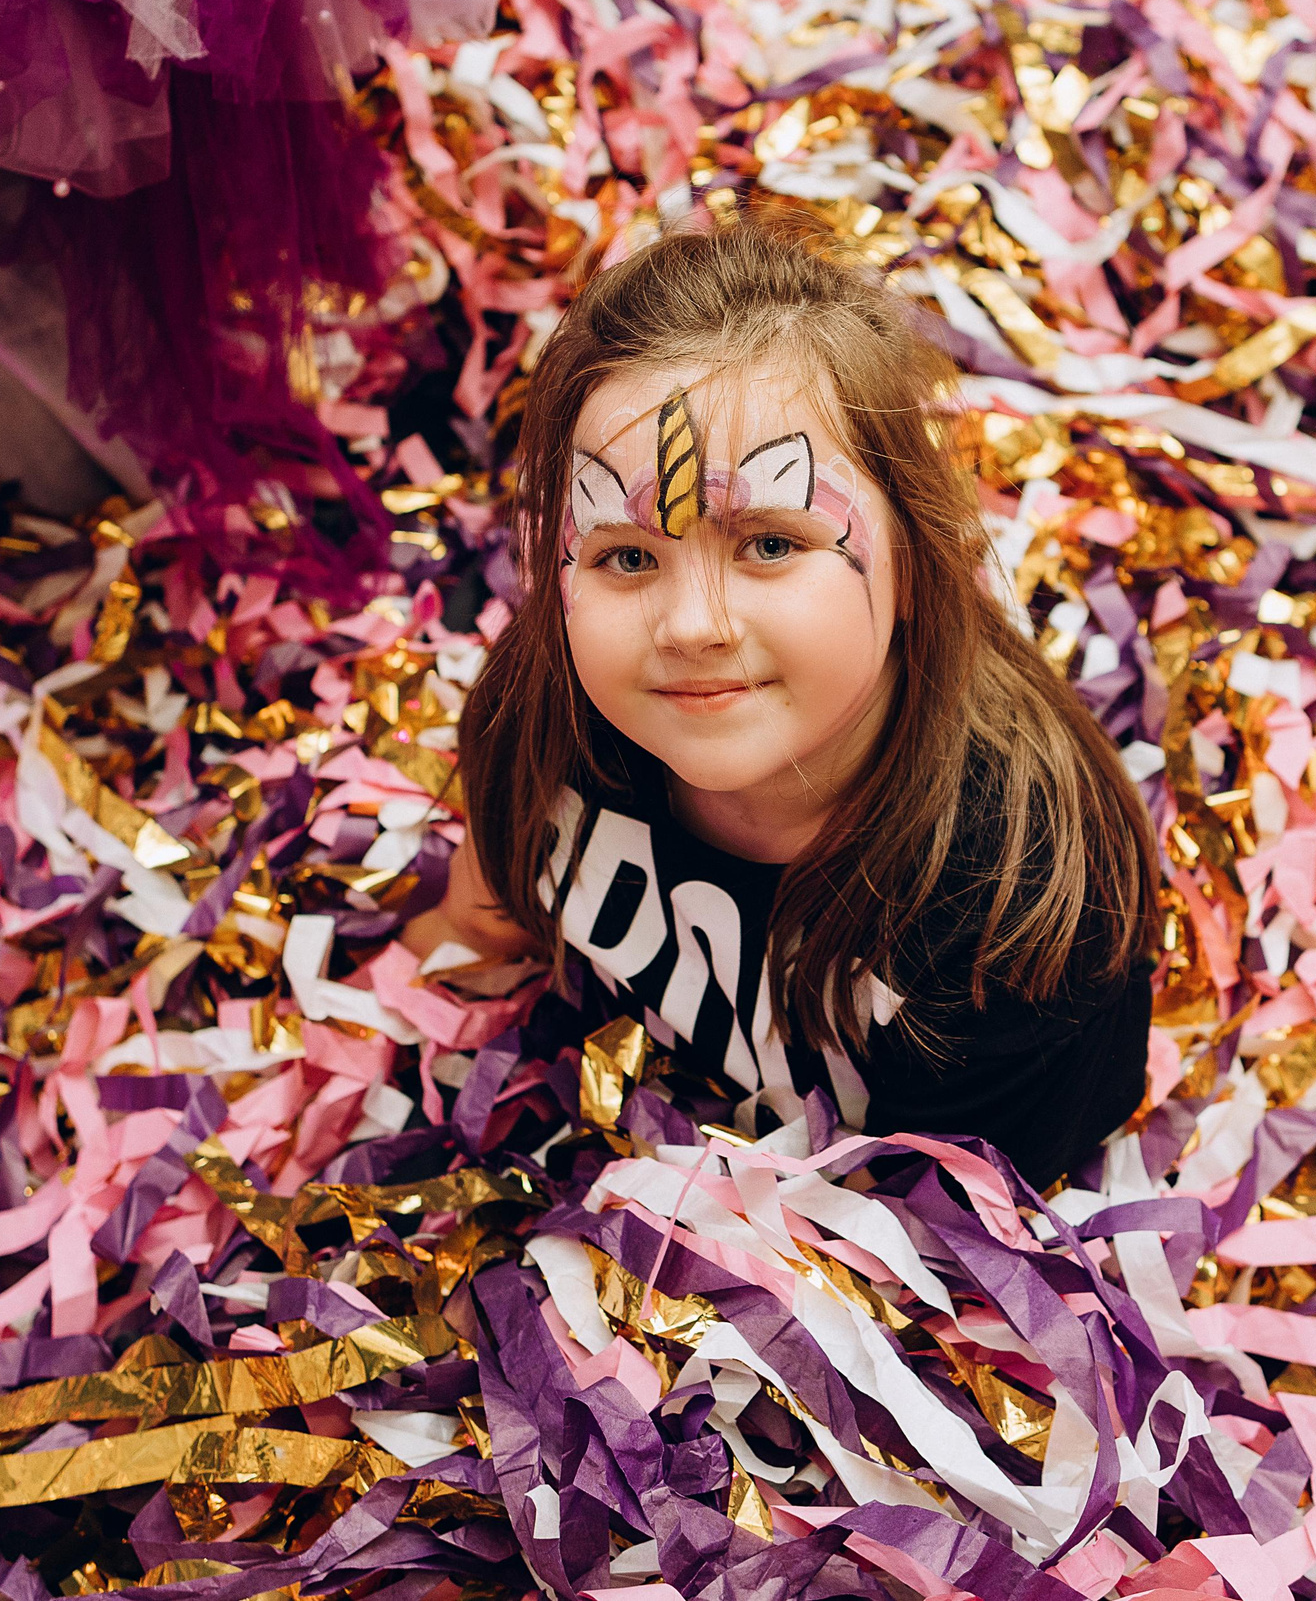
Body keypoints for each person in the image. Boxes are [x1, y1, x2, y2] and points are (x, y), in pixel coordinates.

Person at [401, 216, 1159, 1191]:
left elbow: (946, 1240)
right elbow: (475, 921)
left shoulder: (1013, 912)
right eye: (627, 556)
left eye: (768, 543)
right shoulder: (547, 718)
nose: (691, 625)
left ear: (916, 558)